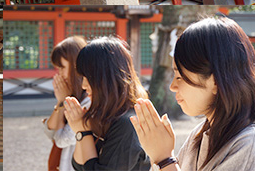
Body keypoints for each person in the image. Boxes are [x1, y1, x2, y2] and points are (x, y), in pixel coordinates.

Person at [131, 17, 255, 171]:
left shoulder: (248, 144)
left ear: (215, 81)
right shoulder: (198, 134)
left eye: (179, 77)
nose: (172, 87)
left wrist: (164, 158)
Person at [64, 37, 150, 171]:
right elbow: (79, 165)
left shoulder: (128, 123)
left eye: (89, 77)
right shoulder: (103, 114)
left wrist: (83, 131)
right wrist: (81, 131)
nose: (83, 85)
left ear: (107, 78)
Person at [45, 36, 89, 171]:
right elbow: (50, 130)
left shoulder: (90, 100)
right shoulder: (71, 95)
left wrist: (63, 101)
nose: (60, 74)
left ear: (76, 65)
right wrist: (60, 102)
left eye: (62, 67)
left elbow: (61, 140)